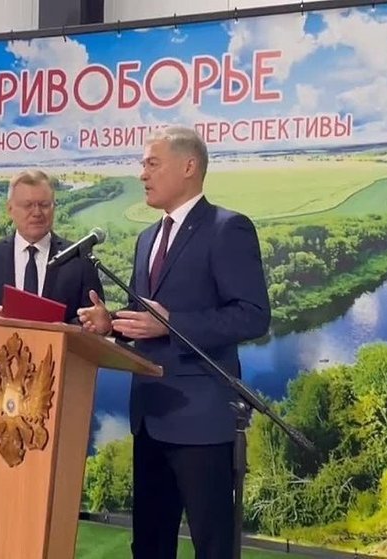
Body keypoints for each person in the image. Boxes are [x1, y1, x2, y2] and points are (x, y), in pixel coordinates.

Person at [77, 127, 270, 558]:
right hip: (150, 417)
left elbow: (253, 315)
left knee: (212, 547)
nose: (142, 174)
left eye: (152, 163)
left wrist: (173, 323)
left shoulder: (228, 228)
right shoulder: (147, 238)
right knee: (149, 546)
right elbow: (144, 317)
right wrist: (111, 323)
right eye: (142, 164)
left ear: (188, 167)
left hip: (202, 422)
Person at [0, 169, 103, 331]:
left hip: (63, 347)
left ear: (54, 207)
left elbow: (92, 318)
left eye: (44, 205)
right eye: (28, 205)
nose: (37, 213)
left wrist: (66, 330)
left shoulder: (79, 258)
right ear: (10, 209)